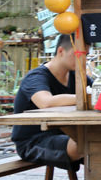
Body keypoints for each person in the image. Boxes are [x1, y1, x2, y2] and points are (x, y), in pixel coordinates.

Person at [10, 33, 85, 169]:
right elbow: (45, 102)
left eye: (86, 55)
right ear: (61, 51)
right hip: (33, 141)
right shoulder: (35, 77)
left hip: (64, 135)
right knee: (85, 145)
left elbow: (95, 90)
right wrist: (85, 98)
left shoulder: (76, 76)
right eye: (78, 54)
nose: (83, 59)